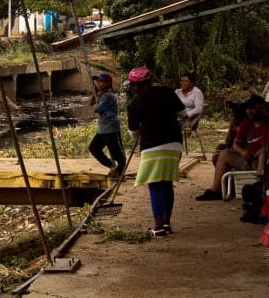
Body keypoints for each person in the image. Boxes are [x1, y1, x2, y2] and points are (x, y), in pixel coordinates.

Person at [125, 66, 184, 237]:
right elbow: (184, 113)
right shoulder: (168, 91)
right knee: (166, 182)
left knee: (155, 183)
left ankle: (158, 227)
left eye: (132, 86)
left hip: (152, 146)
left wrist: (144, 130)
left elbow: (133, 132)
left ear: (136, 86)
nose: (132, 89)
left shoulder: (135, 103)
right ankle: (166, 223)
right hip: (174, 143)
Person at [196, 93, 267, 201]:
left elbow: (266, 147)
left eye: (252, 108)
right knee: (223, 154)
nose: (249, 111)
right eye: (248, 108)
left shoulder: (267, 123)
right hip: (249, 159)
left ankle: (259, 187)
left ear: (261, 108)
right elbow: (234, 143)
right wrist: (243, 152)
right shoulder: (247, 122)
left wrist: (253, 155)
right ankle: (216, 190)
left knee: (263, 154)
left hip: (263, 162)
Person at [88, 72, 127, 178]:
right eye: (97, 81)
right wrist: (95, 92)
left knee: (116, 151)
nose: (98, 83)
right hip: (102, 129)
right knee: (93, 148)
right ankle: (111, 165)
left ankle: (120, 170)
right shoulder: (101, 94)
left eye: (101, 81)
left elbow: (96, 109)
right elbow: (90, 103)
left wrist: (97, 98)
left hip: (111, 128)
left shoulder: (109, 96)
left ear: (108, 83)